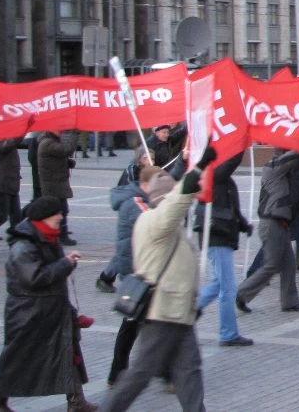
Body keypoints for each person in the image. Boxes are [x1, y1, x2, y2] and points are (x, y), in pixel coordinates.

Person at [102, 148, 216, 412]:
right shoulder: (157, 221)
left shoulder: (163, 224)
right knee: (140, 374)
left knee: (189, 371)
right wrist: (197, 168)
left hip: (178, 312)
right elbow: (177, 201)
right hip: (163, 312)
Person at [0, 196, 95, 412]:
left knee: (67, 351)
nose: (61, 217)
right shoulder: (24, 246)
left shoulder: (46, 237)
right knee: (17, 358)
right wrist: (65, 264)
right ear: (45, 217)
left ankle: (76, 401)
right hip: (28, 313)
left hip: (50, 310)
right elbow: (34, 278)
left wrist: (66, 262)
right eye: (57, 213)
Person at [237, 143, 299, 314]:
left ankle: (290, 302)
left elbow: (289, 197)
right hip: (272, 223)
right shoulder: (274, 167)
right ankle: (242, 294)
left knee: (288, 265)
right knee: (272, 264)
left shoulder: (283, 173)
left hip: (281, 223)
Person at [194, 153, 254, 346]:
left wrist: (243, 224)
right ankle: (228, 334)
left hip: (221, 234)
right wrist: (243, 139)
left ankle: (188, 312)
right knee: (228, 288)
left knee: (218, 284)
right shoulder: (213, 173)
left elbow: (230, 207)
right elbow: (233, 160)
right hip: (217, 236)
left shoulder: (221, 178)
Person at [97, 163, 154, 294]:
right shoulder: (134, 202)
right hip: (132, 261)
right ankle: (105, 278)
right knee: (133, 301)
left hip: (133, 253)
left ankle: (106, 277)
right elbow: (156, 220)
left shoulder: (139, 194)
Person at [38, 130, 79, 245]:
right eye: (58, 130)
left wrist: (66, 163)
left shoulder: (49, 142)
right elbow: (67, 150)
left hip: (55, 182)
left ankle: (60, 234)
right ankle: (60, 236)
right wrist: (74, 133)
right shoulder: (48, 143)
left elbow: (55, 160)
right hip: (53, 184)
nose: (60, 132)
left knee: (61, 210)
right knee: (58, 210)